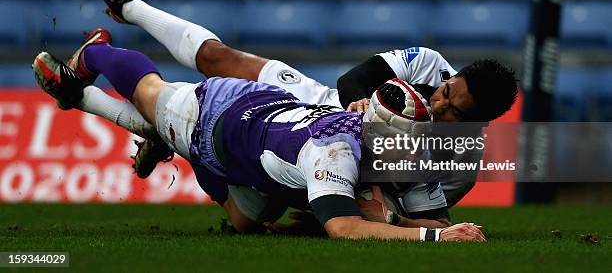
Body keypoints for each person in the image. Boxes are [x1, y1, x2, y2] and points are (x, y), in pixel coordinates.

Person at [77, 0, 519, 208]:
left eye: (454, 111)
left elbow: (413, 206)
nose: (441, 104)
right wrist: (362, 105)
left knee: (244, 204)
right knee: (217, 58)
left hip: (337, 167)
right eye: (445, 93)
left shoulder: (460, 163)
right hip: (314, 106)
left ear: (475, 124)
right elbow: (355, 80)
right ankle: (128, 6)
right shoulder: (429, 64)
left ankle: (161, 133)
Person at [33, 40, 485, 242]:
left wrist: (437, 228)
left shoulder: (373, 141)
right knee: (150, 92)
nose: (408, 154)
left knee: (248, 225)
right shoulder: (335, 152)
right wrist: (433, 240)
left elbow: (407, 214)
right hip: (217, 118)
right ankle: (95, 54)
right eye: (403, 144)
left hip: (260, 139)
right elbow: (343, 228)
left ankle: (82, 97)